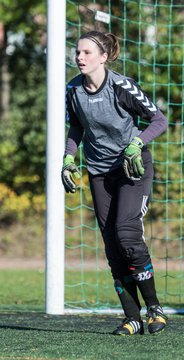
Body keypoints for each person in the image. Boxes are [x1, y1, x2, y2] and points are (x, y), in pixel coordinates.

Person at [61, 30, 168, 336]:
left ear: (104, 57)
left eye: (87, 53)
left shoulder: (121, 86)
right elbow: (76, 129)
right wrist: (69, 158)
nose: (79, 57)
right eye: (77, 52)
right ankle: (131, 317)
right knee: (112, 248)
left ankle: (154, 309)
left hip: (132, 169)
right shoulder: (73, 90)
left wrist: (137, 142)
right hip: (99, 173)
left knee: (127, 235)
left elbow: (159, 120)